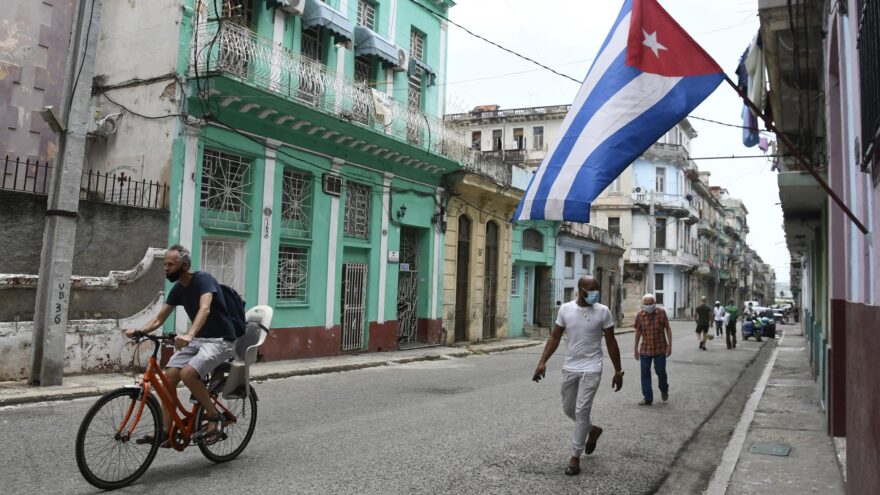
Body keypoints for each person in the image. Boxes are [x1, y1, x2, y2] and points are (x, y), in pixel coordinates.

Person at [125, 244, 240, 447]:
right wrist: (141, 331)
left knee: (187, 374)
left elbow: (204, 308)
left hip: (221, 340)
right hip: (198, 341)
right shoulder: (178, 289)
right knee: (168, 378)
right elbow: (159, 319)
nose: (166, 268)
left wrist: (189, 334)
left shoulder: (204, 280)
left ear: (185, 265)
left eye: (171, 264)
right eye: (164, 264)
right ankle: (165, 430)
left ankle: (214, 417)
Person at [532, 276, 623, 476]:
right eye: (591, 289)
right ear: (581, 290)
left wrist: (618, 371)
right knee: (568, 408)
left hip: (592, 366)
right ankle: (593, 430)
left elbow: (611, 342)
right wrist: (542, 361)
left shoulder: (603, 311)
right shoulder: (565, 309)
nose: (595, 293)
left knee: (582, 410)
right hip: (571, 366)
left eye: (597, 289)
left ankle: (575, 457)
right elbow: (555, 336)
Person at [633, 294, 672, 405]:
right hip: (645, 349)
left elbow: (668, 329)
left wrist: (670, 345)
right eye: (646, 304)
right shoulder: (640, 315)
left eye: (651, 304)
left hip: (660, 348)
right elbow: (638, 332)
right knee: (645, 373)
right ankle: (648, 398)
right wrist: (635, 349)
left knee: (660, 371)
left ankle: (664, 388)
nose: (649, 306)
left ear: (654, 303)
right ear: (643, 304)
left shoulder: (661, 313)